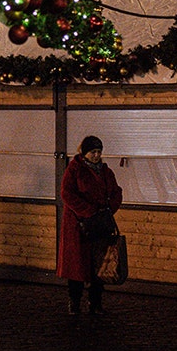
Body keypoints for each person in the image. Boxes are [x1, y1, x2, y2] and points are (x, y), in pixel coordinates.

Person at [58, 135, 123, 316]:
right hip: (78, 226)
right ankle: (75, 303)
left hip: (99, 224)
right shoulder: (75, 170)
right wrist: (88, 211)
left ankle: (95, 302)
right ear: (84, 153)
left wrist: (108, 209)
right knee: (77, 267)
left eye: (98, 152)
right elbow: (67, 194)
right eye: (93, 152)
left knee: (99, 265)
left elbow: (116, 192)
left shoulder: (106, 172)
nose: (96, 155)